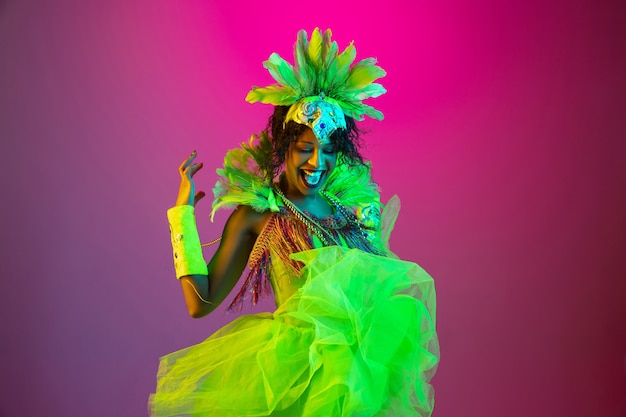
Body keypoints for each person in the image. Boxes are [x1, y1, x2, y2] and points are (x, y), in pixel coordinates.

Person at [149, 28, 439, 417]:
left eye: (328, 151)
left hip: (359, 387)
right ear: (284, 145)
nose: (317, 163)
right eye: (305, 148)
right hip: (293, 382)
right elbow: (199, 303)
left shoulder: (352, 213)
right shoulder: (259, 215)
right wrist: (181, 217)